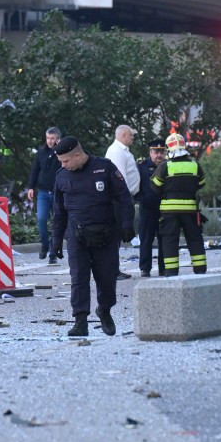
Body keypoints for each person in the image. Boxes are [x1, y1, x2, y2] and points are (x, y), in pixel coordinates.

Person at [50, 136, 135, 337]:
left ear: (78, 155)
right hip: (76, 236)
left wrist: (127, 224)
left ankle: (104, 310)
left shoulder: (104, 168)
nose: (63, 165)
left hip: (106, 233)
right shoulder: (61, 176)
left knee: (106, 278)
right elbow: (59, 212)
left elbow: (124, 197)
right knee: (78, 278)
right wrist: (56, 240)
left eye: (66, 161)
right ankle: (80, 321)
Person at [150, 133, 207, 277]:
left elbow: (155, 186)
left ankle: (171, 272)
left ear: (168, 149)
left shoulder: (165, 166)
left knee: (170, 240)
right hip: (191, 211)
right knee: (194, 239)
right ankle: (200, 270)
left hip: (170, 211)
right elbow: (201, 183)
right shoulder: (195, 165)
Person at [105, 124, 139, 280]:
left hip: (123, 197)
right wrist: (125, 200)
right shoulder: (116, 152)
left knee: (118, 235)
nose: (132, 137)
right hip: (119, 199)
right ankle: (112, 270)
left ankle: (113, 269)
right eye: (131, 135)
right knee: (116, 235)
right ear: (124, 135)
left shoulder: (122, 151)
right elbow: (120, 178)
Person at [26, 127, 61, 264]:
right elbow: (35, 170)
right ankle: (45, 245)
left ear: (57, 138)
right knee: (41, 218)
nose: (49, 141)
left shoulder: (62, 152)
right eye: (47, 138)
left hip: (58, 193)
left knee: (56, 223)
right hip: (43, 192)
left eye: (52, 138)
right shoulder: (41, 152)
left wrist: (58, 149)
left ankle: (53, 252)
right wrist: (30, 187)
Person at [136, 138, 167, 277]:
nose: (159, 155)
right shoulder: (141, 166)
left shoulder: (168, 166)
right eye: (156, 151)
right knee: (146, 239)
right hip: (147, 209)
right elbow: (135, 187)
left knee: (165, 240)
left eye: (161, 151)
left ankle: (164, 268)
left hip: (165, 209)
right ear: (150, 152)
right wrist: (142, 200)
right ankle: (145, 268)